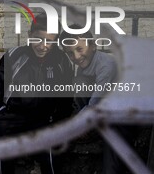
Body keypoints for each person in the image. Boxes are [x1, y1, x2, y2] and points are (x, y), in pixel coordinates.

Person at [0, 13, 74, 174]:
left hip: (44, 119)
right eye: (38, 39)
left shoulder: (61, 60)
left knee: (51, 154)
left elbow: (67, 94)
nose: (43, 46)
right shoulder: (14, 56)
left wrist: (61, 119)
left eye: (49, 41)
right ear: (29, 35)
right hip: (13, 116)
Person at [59, 24, 137, 174]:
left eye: (80, 49)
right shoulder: (84, 65)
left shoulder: (106, 65)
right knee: (79, 81)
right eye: (69, 53)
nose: (75, 57)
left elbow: (96, 100)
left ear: (93, 46)